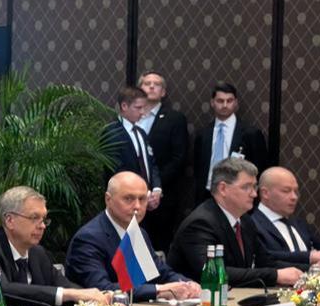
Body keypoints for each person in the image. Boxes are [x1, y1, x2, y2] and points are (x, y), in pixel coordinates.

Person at [0, 186, 112, 306]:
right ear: (9, 220)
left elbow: (66, 287)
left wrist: (98, 298)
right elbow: (1, 291)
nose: (42, 225)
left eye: (43, 219)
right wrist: (69, 294)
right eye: (34, 218)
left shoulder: (37, 253)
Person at [168, 158, 305, 289]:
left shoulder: (245, 220)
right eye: (247, 187)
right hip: (199, 304)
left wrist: (308, 270)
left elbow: (266, 261)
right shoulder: (201, 223)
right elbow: (215, 273)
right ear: (223, 189)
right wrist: (276, 276)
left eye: (254, 187)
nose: (254, 194)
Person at [65, 172, 201, 301]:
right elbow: (103, 289)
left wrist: (187, 284)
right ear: (108, 199)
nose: (137, 206)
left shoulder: (138, 233)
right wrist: (159, 290)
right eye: (128, 199)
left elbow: (161, 273)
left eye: (142, 199)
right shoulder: (88, 238)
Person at [245, 166, 320, 270]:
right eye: (286, 191)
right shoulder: (251, 223)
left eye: (296, 191)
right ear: (265, 193)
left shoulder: (297, 223)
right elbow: (265, 258)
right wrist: (309, 257)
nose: (294, 197)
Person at [136, 71, 190, 250]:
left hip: (162, 196)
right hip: (133, 194)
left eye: (156, 84)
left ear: (163, 92)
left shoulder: (175, 119)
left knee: (158, 246)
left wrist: (154, 186)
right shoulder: (130, 119)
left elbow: (178, 158)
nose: (151, 86)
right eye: (147, 83)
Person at [192, 83, 267, 204]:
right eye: (220, 101)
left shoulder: (251, 134)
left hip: (237, 195)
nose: (225, 105)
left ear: (236, 103)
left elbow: (260, 168)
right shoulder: (203, 133)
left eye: (229, 101)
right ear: (212, 103)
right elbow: (198, 167)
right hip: (206, 195)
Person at [103, 85, 162, 208]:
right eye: (138, 108)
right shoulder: (112, 132)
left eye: (143, 108)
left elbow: (151, 163)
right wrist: (143, 193)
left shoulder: (141, 133)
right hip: (126, 201)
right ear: (124, 106)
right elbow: (116, 169)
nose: (142, 112)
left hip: (147, 201)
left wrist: (156, 188)